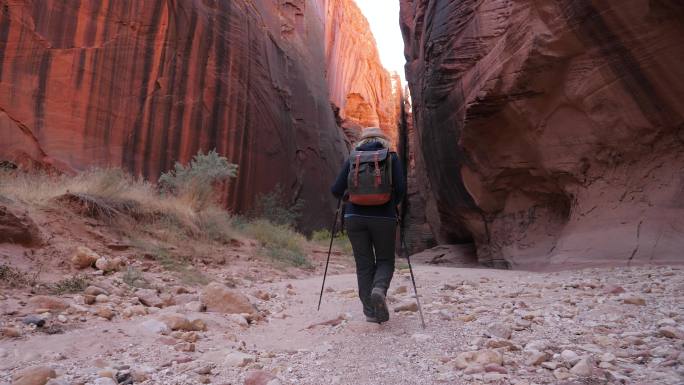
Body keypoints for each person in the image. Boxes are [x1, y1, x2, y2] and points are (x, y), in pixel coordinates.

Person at [331, 127, 406, 323]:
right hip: (384, 217)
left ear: (361, 142)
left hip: (354, 217)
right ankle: (379, 289)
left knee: (363, 265)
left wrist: (351, 198)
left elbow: (336, 189)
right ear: (383, 140)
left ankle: (370, 312)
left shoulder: (353, 158)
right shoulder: (391, 157)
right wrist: (390, 203)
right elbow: (400, 188)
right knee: (385, 260)